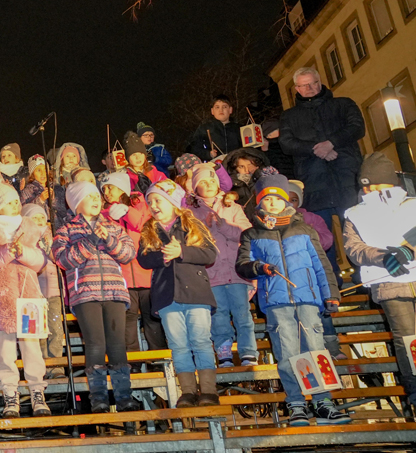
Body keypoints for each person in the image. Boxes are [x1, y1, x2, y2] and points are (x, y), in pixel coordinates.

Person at [236, 175, 349, 426]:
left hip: (308, 299)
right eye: (267, 199)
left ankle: (323, 402)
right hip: (276, 302)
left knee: (316, 350)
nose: (273, 203)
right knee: (287, 353)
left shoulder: (305, 230)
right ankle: (296, 403)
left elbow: (322, 265)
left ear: (287, 201)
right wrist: (257, 266)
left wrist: (330, 294)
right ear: (259, 203)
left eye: (278, 198)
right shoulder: (251, 234)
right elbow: (242, 265)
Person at [52, 181, 137, 413]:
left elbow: (129, 253)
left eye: (97, 196)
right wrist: (90, 242)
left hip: (115, 292)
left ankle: (124, 396)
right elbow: (62, 259)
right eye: (89, 197)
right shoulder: (66, 230)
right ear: (77, 203)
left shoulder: (114, 227)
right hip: (85, 293)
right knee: (96, 344)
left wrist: (108, 240)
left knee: (117, 345)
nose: (96, 200)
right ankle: (98, 397)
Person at [0, 184, 52, 417]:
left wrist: (21, 252)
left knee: (32, 349)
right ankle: (10, 396)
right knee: (4, 352)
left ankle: (37, 393)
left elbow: (39, 261)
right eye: (10, 202)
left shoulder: (28, 229)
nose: (16, 205)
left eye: (16, 201)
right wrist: (7, 252)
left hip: (28, 297)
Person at [137, 180, 220, 407]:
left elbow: (210, 254)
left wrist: (181, 251)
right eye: (150, 201)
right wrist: (163, 256)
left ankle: (209, 391)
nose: (153, 205)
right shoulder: (149, 230)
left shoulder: (192, 225)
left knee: (201, 341)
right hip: (166, 297)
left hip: (196, 293)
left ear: (173, 202)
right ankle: (188, 391)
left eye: (158, 200)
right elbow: (143, 258)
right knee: (178, 345)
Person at [343, 153, 416, 407]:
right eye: (367, 183)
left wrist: (408, 249)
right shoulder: (354, 213)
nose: (371, 188)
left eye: (375, 182)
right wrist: (383, 258)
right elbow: (354, 249)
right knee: (408, 338)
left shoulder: (412, 203)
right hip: (388, 282)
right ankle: (415, 391)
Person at [185, 163, 257, 368]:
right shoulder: (190, 212)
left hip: (236, 273)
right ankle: (224, 353)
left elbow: (247, 234)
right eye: (202, 182)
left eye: (211, 181)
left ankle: (248, 352)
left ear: (218, 184)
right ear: (195, 187)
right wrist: (205, 228)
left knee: (243, 314)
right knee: (219, 316)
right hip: (211, 275)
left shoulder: (232, 208)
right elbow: (190, 240)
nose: (207, 185)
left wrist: (223, 226)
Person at [278, 67, 366, 229]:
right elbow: (286, 143)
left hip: (348, 180)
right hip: (314, 185)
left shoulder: (343, 104)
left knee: (358, 235)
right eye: (304, 85)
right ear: (297, 89)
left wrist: (331, 143)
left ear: (320, 82)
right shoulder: (289, 116)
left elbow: (357, 127)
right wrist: (316, 149)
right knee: (322, 242)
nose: (309, 88)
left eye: (313, 83)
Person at [100, 172, 165, 353]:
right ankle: (132, 359)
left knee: (152, 317)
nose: (106, 192)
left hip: (147, 272)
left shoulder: (141, 203)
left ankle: (158, 357)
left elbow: (147, 225)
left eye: (110, 187)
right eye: (104, 189)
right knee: (127, 319)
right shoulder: (105, 213)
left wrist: (128, 212)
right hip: (123, 277)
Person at [22, 203, 65, 374]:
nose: (40, 220)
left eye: (42, 217)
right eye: (35, 217)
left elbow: (59, 260)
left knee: (55, 328)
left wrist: (49, 247)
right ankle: (42, 366)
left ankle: (56, 365)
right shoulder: (25, 240)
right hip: (34, 292)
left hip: (53, 291)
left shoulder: (53, 238)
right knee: (38, 330)